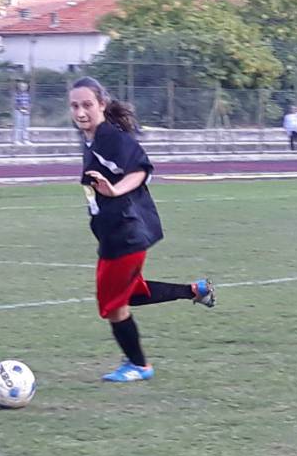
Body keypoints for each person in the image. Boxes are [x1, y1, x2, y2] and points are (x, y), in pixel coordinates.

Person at [69, 75, 216, 383]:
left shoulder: (111, 137)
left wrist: (115, 190)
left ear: (102, 105)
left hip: (126, 232)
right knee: (132, 293)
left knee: (112, 306)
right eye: (75, 106)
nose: (80, 112)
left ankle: (138, 365)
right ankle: (196, 290)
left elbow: (140, 169)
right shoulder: (92, 137)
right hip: (112, 232)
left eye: (87, 105)